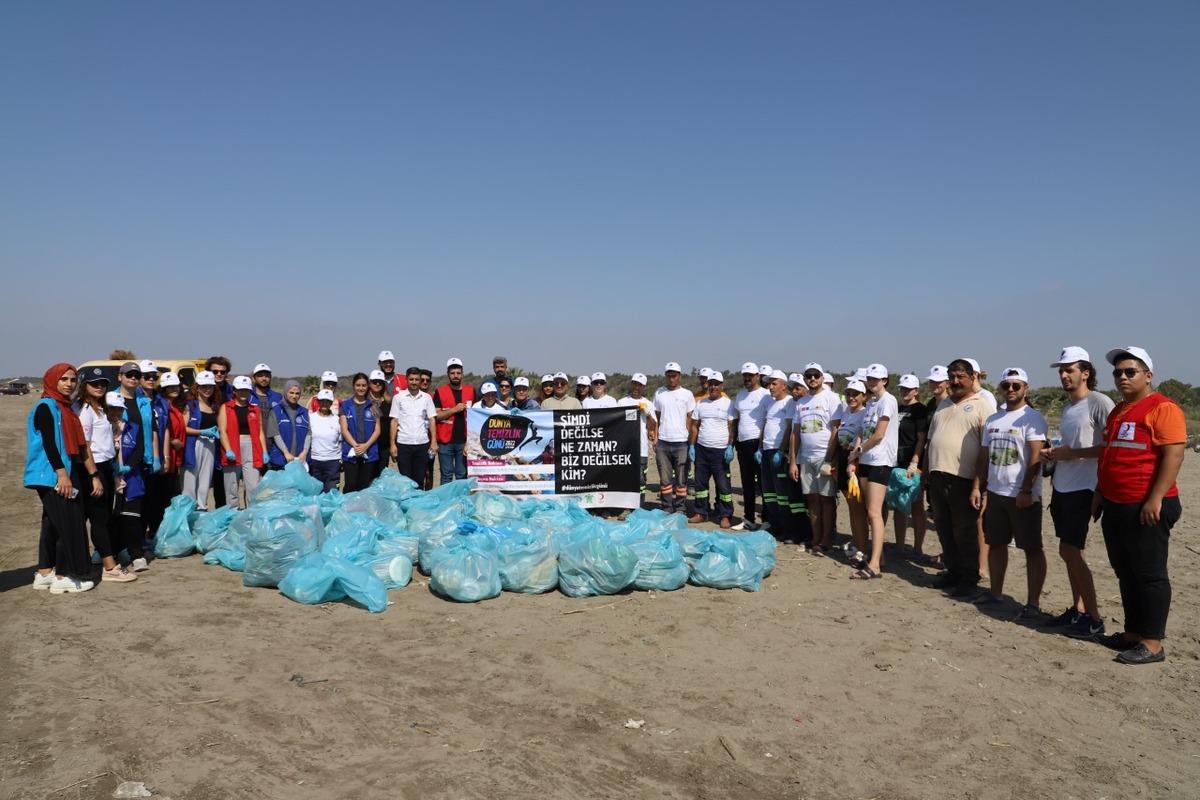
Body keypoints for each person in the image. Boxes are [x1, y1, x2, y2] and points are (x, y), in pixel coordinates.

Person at [1094, 346, 1185, 665]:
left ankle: (1152, 642)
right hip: (1116, 503)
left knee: (1150, 574)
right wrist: (1100, 492)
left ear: (1148, 376)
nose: (1122, 377)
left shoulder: (1163, 408)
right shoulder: (1119, 410)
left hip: (1147, 505)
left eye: (1130, 371)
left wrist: (1155, 498)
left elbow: (1174, 455)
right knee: (1126, 572)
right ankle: (1133, 634)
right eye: (1117, 372)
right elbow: (1109, 454)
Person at [1041, 347, 1115, 639]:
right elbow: (1074, 446)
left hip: (1083, 487)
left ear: (1085, 373)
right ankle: (1079, 609)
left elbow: (1111, 446)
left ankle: (1094, 619)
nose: (1064, 375)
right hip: (1062, 485)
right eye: (1061, 370)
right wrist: (1055, 454)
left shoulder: (1099, 402)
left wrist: (1073, 453)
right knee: (1069, 551)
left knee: (1070, 551)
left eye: (1069, 369)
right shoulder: (1068, 406)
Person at [972, 368, 1048, 618]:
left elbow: (1036, 457)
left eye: (1016, 385)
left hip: (1023, 496)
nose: (1011, 390)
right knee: (996, 544)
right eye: (1006, 385)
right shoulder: (993, 420)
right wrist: (977, 486)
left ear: (1026, 388)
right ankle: (996, 593)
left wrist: (1026, 490)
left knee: (1031, 548)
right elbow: (984, 457)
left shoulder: (1033, 418)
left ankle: (1033, 603)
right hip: (996, 493)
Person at [926, 358, 996, 597]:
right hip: (937, 475)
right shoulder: (943, 404)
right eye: (952, 377)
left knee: (964, 531)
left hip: (963, 478)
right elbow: (931, 441)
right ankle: (953, 571)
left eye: (960, 377)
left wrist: (978, 482)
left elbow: (987, 449)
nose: (955, 381)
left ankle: (969, 577)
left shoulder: (982, 405)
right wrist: (926, 473)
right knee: (943, 527)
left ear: (972, 377)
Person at [73, 368, 136, 583]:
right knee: (98, 518)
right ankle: (109, 567)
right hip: (94, 468)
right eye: (94, 383)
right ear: (85, 385)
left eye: (103, 383)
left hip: (105, 466)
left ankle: (106, 561)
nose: (99, 387)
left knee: (104, 517)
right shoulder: (85, 410)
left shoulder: (99, 408)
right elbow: (85, 446)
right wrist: (94, 475)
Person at [788, 363, 842, 555]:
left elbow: (836, 429)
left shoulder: (831, 398)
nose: (812, 379)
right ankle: (815, 538)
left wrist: (829, 459)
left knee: (826, 499)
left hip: (824, 457)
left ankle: (826, 540)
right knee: (812, 499)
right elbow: (795, 433)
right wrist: (793, 461)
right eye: (808, 376)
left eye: (816, 375)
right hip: (806, 457)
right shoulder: (801, 402)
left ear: (822, 377)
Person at [852, 364, 899, 580]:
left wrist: (859, 450)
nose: (872, 382)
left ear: (885, 381)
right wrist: (855, 455)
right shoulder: (871, 403)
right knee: (867, 510)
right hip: (866, 460)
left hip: (880, 460)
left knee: (874, 512)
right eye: (870, 379)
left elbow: (879, 434)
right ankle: (878, 556)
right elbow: (862, 431)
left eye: (876, 379)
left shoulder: (888, 400)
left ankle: (875, 564)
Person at [110, 389, 152, 572]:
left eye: (119, 409)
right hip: (109, 480)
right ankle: (110, 553)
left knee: (132, 518)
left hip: (132, 478)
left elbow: (139, 451)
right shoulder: (101, 427)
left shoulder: (133, 427)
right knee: (112, 519)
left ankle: (137, 555)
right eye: (111, 408)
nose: (115, 412)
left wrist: (128, 466)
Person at [688, 372, 735, 527]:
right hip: (702, 450)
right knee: (700, 485)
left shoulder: (728, 404)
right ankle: (701, 512)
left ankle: (725, 515)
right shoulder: (701, 404)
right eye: (711, 384)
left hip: (720, 451)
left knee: (723, 485)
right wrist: (692, 446)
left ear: (721, 386)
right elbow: (694, 426)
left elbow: (732, 427)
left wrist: (730, 446)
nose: (713, 387)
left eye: (716, 384)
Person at [892, 374, 931, 561]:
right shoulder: (898, 408)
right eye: (902, 388)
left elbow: (921, 438)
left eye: (908, 389)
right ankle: (899, 546)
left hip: (912, 461)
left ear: (916, 391)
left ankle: (917, 548)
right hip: (896, 461)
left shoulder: (920, 410)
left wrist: (915, 462)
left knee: (916, 505)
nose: (904, 392)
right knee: (899, 504)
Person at [730, 362, 770, 531]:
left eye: (750, 375)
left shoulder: (766, 395)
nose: (747, 378)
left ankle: (767, 520)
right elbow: (736, 419)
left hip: (758, 444)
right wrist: (732, 443)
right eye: (745, 375)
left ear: (758, 376)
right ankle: (749, 519)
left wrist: (761, 446)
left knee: (764, 484)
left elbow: (768, 420)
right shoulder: (740, 395)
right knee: (747, 484)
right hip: (743, 443)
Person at [834, 379, 869, 567]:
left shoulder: (865, 413)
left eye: (856, 394)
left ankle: (863, 549)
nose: (851, 397)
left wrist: (853, 460)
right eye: (848, 394)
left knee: (858, 509)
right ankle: (857, 544)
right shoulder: (845, 412)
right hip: (842, 458)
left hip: (855, 462)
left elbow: (862, 439)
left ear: (864, 396)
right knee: (851, 507)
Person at [217, 375, 268, 508]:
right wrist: (228, 449)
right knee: (231, 486)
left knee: (253, 486)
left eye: (246, 390)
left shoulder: (255, 409)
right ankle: (232, 514)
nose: (243, 393)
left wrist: (264, 451)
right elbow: (222, 431)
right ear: (234, 390)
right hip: (232, 446)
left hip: (252, 448)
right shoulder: (226, 407)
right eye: (240, 390)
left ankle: (251, 514)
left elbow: (260, 432)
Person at [758, 370, 796, 542]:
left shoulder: (789, 402)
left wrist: (781, 450)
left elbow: (789, 428)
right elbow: (765, 425)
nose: (770, 387)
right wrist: (760, 448)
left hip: (778, 452)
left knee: (782, 493)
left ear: (784, 385)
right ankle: (774, 526)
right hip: (766, 450)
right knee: (769, 492)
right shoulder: (771, 403)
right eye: (769, 384)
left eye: (774, 384)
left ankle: (787, 528)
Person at [654, 362, 696, 514]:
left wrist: (689, 439)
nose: (671, 378)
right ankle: (667, 506)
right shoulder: (659, 393)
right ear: (666, 376)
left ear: (679, 376)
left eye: (674, 375)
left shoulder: (687, 394)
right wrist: (656, 438)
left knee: (681, 479)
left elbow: (690, 417)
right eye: (669, 375)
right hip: (663, 442)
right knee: (665, 479)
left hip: (681, 443)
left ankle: (680, 508)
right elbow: (657, 417)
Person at [139, 360, 172, 547]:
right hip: (142, 456)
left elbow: (165, 429)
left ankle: (152, 534)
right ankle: (138, 537)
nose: (151, 380)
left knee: (156, 499)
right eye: (146, 376)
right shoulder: (135, 399)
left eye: (154, 376)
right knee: (141, 499)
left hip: (158, 456)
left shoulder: (161, 401)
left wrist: (165, 457)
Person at [390, 366, 438, 486]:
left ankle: (418, 499)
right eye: (411, 379)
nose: (414, 382)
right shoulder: (398, 398)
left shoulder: (427, 398)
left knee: (419, 480)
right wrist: (392, 444)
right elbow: (394, 421)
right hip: (403, 444)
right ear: (406, 380)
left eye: (417, 379)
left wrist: (434, 441)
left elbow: (432, 419)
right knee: (405, 481)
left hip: (422, 444)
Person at [182, 371, 221, 506]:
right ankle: (188, 510)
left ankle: (202, 507)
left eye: (210, 387)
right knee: (190, 480)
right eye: (204, 386)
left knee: (205, 480)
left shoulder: (214, 407)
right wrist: (201, 432)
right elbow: (183, 428)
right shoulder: (190, 405)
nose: (207, 389)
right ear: (197, 387)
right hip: (194, 444)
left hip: (210, 445)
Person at [618, 373, 657, 506]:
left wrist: (647, 413)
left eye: (640, 385)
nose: (636, 387)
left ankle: (640, 506)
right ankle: (626, 506)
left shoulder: (648, 404)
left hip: (642, 449)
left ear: (644, 387)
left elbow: (652, 426)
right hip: (625, 448)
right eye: (634, 384)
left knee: (641, 481)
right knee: (626, 479)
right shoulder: (621, 402)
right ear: (631, 384)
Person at [434, 358, 475, 483]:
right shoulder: (440, 392)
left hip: (464, 441)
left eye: (458, 373)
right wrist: (454, 410)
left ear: (462, 373)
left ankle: (461, 496)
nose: (455, 375)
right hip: (445, 441)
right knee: (446, 475)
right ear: (448, 374)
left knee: (462, 475)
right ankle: (446, 497)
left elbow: (477, 415)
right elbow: (436, 416)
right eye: (452, 373)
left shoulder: (471, 391)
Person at [340, 373, 381, 492]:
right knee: (351, 485)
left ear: (368, 386)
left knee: (365, 486)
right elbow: (344, 429)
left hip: (370, 452)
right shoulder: (345, 405)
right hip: (351, 452)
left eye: (364, 385)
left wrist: (366, 446)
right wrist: (356, 446)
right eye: (358, 385)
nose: (361, 388)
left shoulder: (374, 406)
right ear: (353, 386)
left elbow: (377, 429)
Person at [204, 356, 233, 508]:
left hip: (226, 440)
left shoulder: (232, 391)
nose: (219, 374)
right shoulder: (202, 390)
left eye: (223, 371)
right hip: (205, 439)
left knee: (223, 482)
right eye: (215, 371)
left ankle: (222, 513)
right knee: (202, 483)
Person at [266, 380, 311, 471]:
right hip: (281, 459)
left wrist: (305, 452)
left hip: (300, 459)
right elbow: (275, 434)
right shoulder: (275, 411)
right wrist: (286, 452)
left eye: (297, 393)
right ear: (285, 392)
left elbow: (309, 433)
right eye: (291, 393)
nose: (294, 396)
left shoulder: (304, 412)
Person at [158, 372, 187, 497]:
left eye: (176, 386)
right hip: (165, 457)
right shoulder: (161, 407)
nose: (174, 389)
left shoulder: (176, 406)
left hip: (175, 457)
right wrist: (171, 441)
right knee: (165, 493)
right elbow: (158, 429)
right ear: (163, 389)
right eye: (170, 387)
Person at [308, 389, 343, 491]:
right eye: (322, 401)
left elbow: (341, 441)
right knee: (316, 492)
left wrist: (341, 460)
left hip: (333, 462)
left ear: (331, 403)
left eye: (327, 401)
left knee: (332, 492)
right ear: (318, 402)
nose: (324, 403)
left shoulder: (337, 420)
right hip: (315, 461)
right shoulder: (310, 418)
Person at [367, 369, 392, 479]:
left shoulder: (388, 402)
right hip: (368, 445)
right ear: (369, 383)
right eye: (374, 381)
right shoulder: (364, 401)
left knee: (381, 477)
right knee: (367, 477)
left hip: (384, 446)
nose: (377, 384)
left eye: (380, 382)